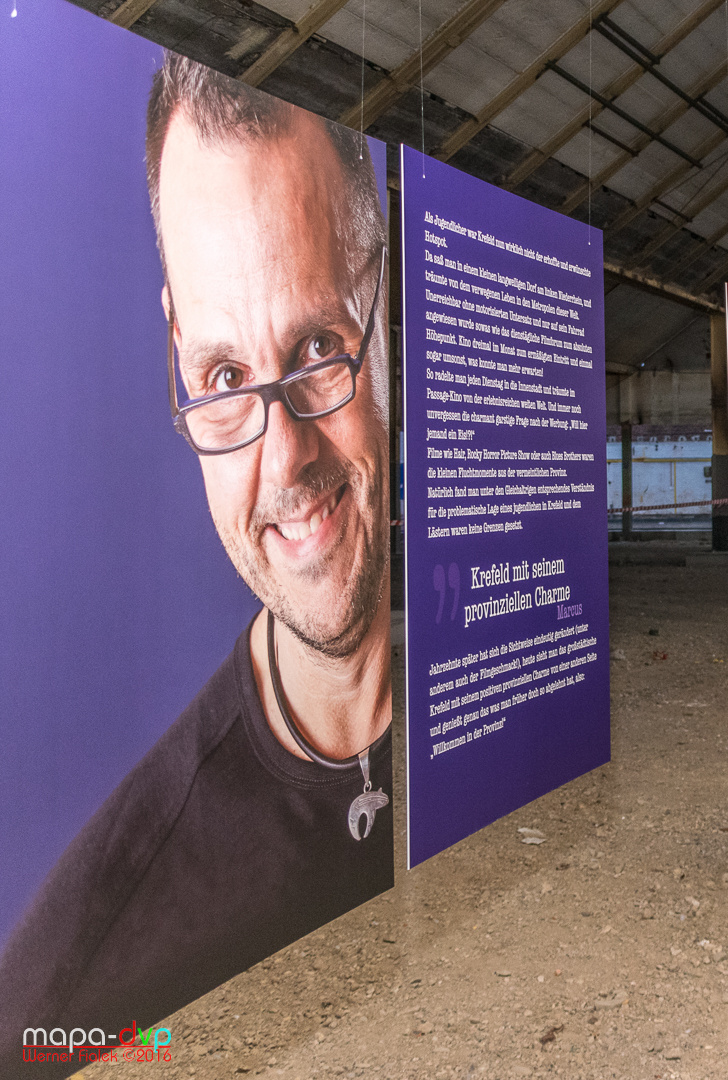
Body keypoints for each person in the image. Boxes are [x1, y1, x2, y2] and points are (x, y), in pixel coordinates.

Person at [0, 54, 393, 1048]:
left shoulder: (496, 684)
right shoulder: (65, 1005)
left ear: (380, 302)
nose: (285, 457)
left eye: (315, 350)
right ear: (176, 346)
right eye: (223, 373)